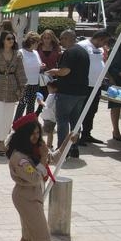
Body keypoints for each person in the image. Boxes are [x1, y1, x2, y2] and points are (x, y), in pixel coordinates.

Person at [8, 113, 59, 241]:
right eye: (32, 134)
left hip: (32, 196)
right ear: (23, 135)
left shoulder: (34, 150)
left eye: (38, 133)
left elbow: (52, 157)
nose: (36, 137)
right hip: (26, 196)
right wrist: (44, 158)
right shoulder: (20, 157)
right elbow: (33, 177)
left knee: (28, 235)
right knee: (42, 238)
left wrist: (68, 141)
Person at [46, 29, 89, 159]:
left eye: (62, 38)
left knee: (63, 121)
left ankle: (62, 150)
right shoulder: (83, 51)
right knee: (76, 121)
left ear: (68, 38)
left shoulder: (70, 52)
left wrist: (54, 71)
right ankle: (74, 148)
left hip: (67, 92)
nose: (60, 41)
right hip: (81, 92)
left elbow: (65, 71)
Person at [0, 30, 26, 155]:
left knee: (8, 118)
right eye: (8, 38)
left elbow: (20, 72)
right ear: (3, 40)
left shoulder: (17, 55)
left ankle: (3, 140)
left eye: (12, 39)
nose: (11, 41)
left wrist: (22, 87)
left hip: (12, 87)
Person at [77, 30, 109, 145]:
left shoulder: (100, 49)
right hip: (85, 84)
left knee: (92, 110)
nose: (104, 44)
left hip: (97, 85)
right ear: (99, 38)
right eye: (104, 41)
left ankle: (87, 134)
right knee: (81, 111)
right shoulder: (83, 46)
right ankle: (77, 135)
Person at [15, 32, 44, 119]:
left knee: (31, 105)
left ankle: (29, 123)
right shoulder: (21, 52)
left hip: (35, 82)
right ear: (31, 42)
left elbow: (38, 65)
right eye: (37, 42)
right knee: (22, 104)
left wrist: (41, 66)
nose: (38, 44)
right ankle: (16, 123)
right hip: (24, 83)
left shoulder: (35, 52)